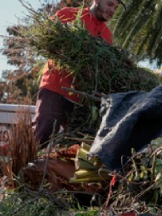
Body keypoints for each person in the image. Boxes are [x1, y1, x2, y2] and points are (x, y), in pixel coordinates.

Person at [32, 0, 121, 146]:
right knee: (43, 133)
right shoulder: (69, 15)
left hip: (81, 98)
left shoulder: (107, 36)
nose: (112, 10)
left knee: (76, 143)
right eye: (110, 4)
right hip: (55, 88)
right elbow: (48, 37)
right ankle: (27, 166)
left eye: (116, 8)